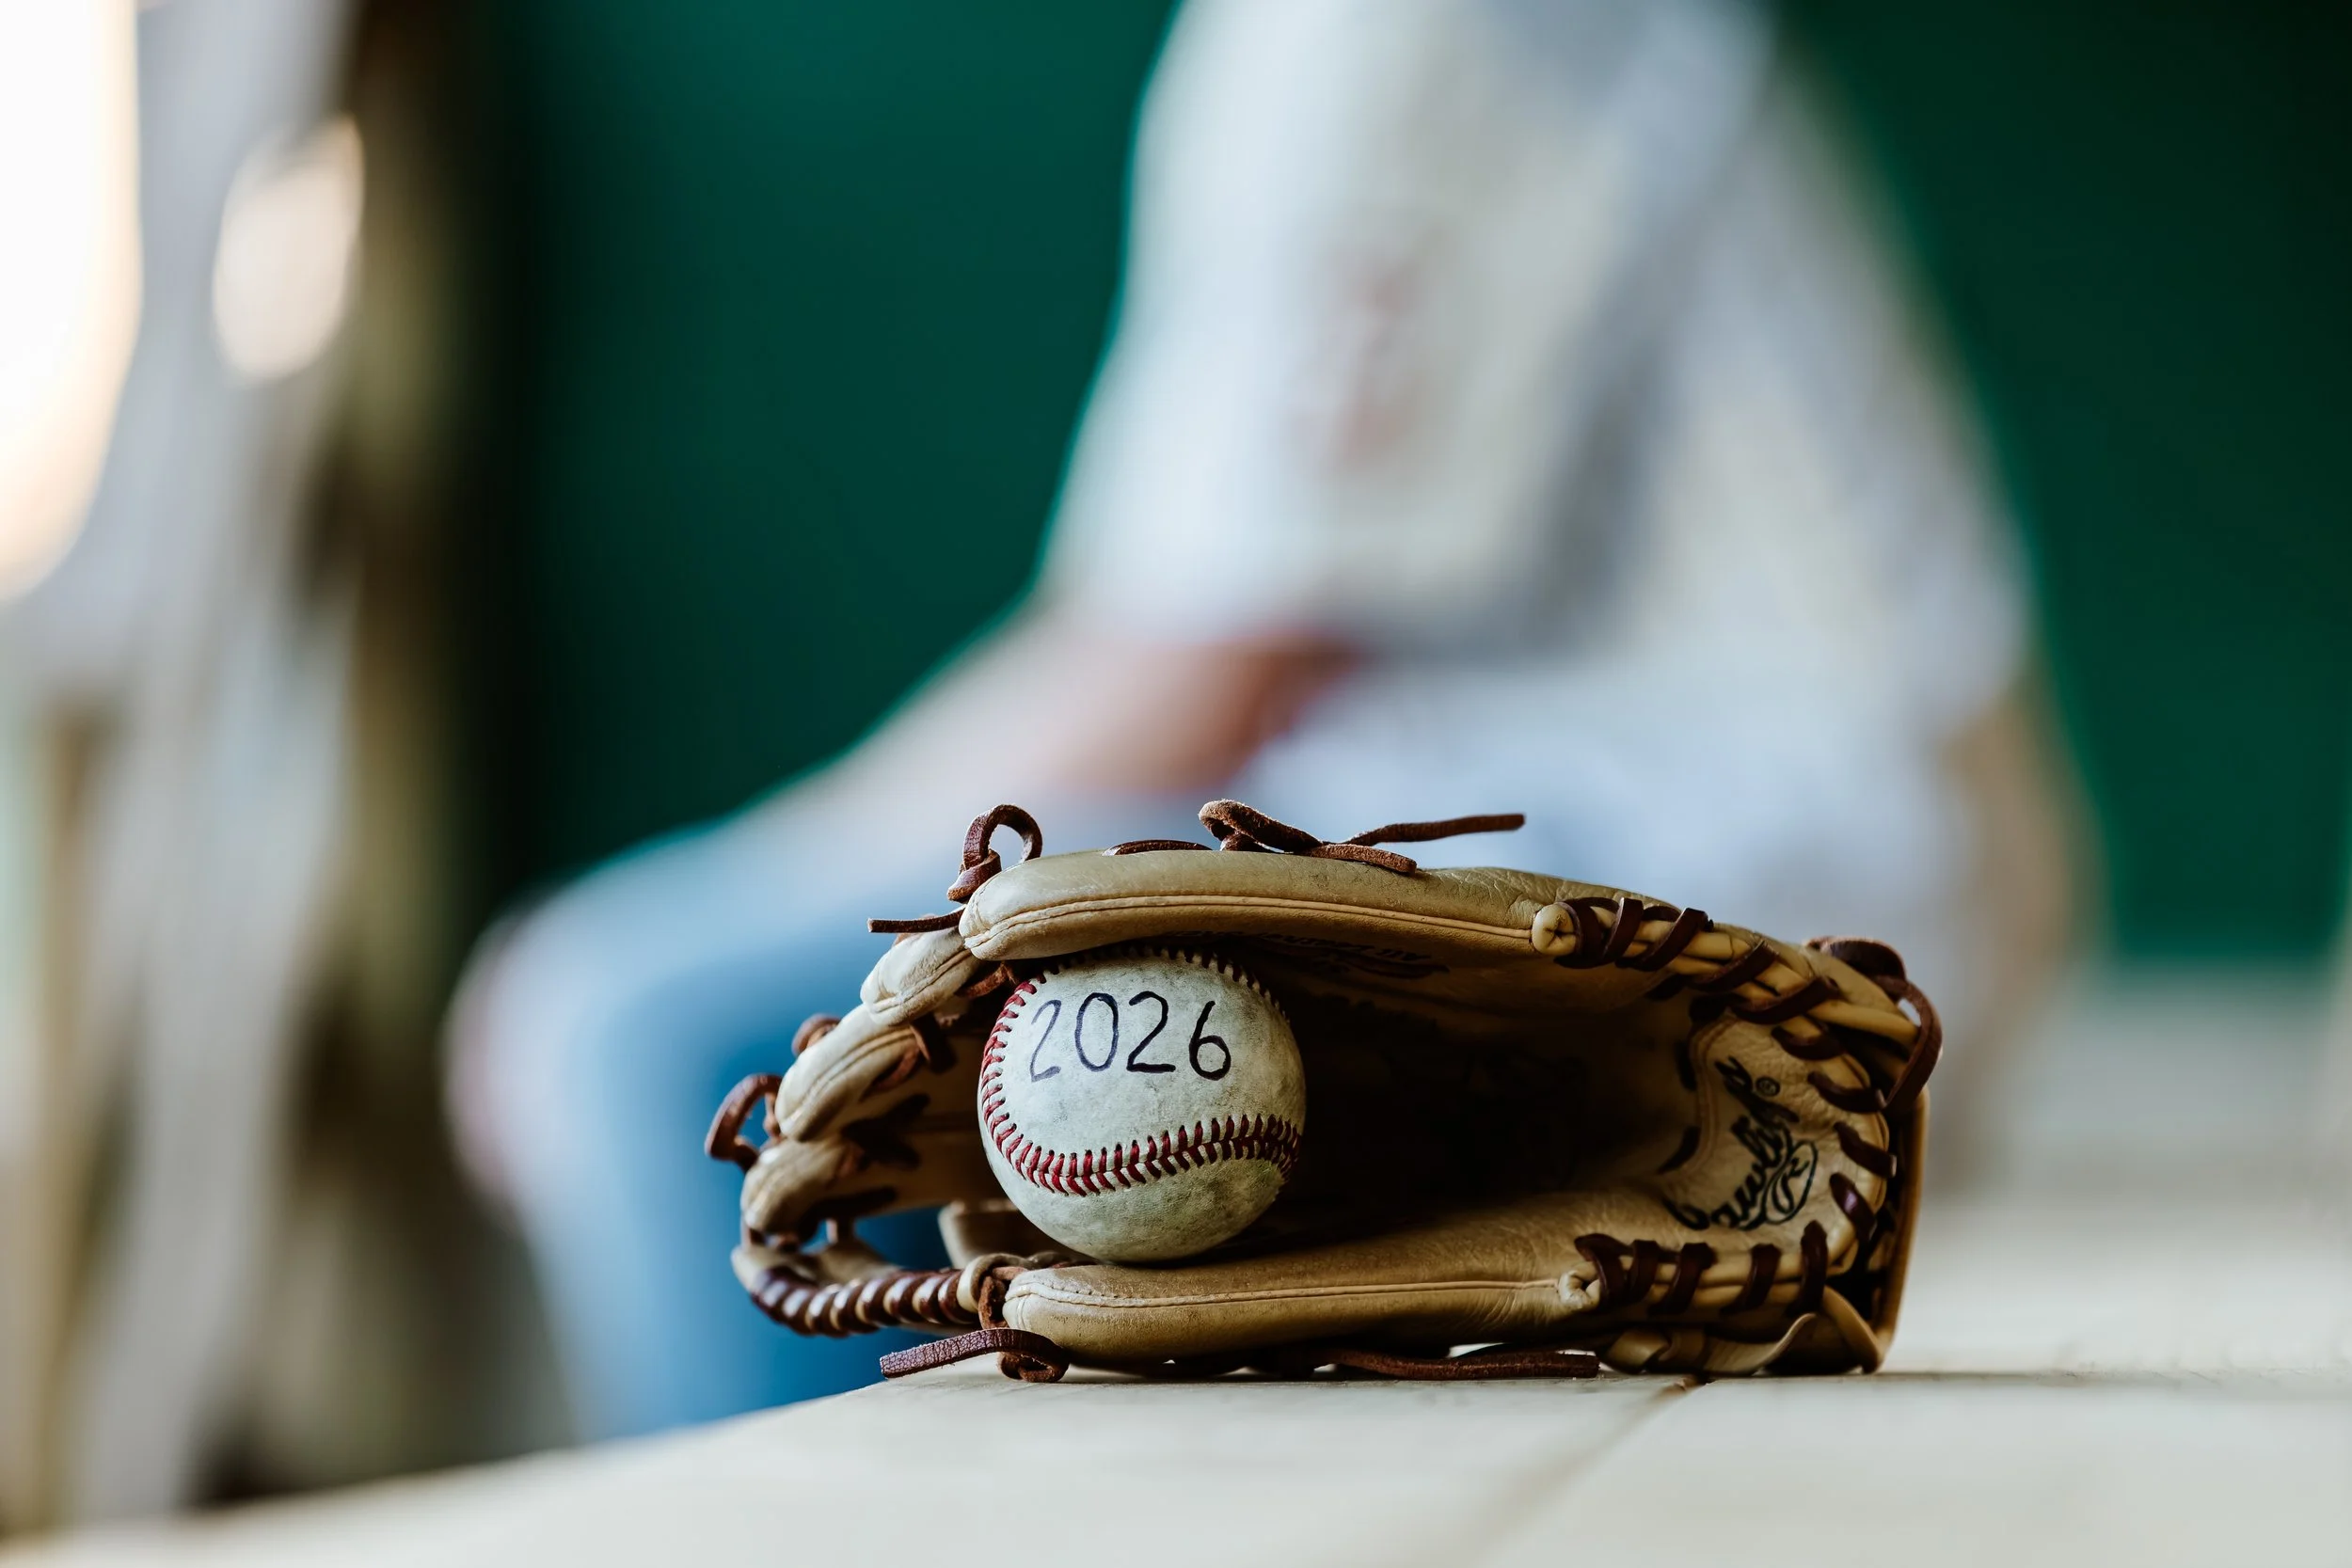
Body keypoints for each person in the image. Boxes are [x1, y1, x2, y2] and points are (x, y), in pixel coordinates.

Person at [450, 0, 2071, 1439]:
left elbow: (1200, 666)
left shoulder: (1395, 26)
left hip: (1741, 921)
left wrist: (643, 930)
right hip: (1817, 896)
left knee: (636, 1032)